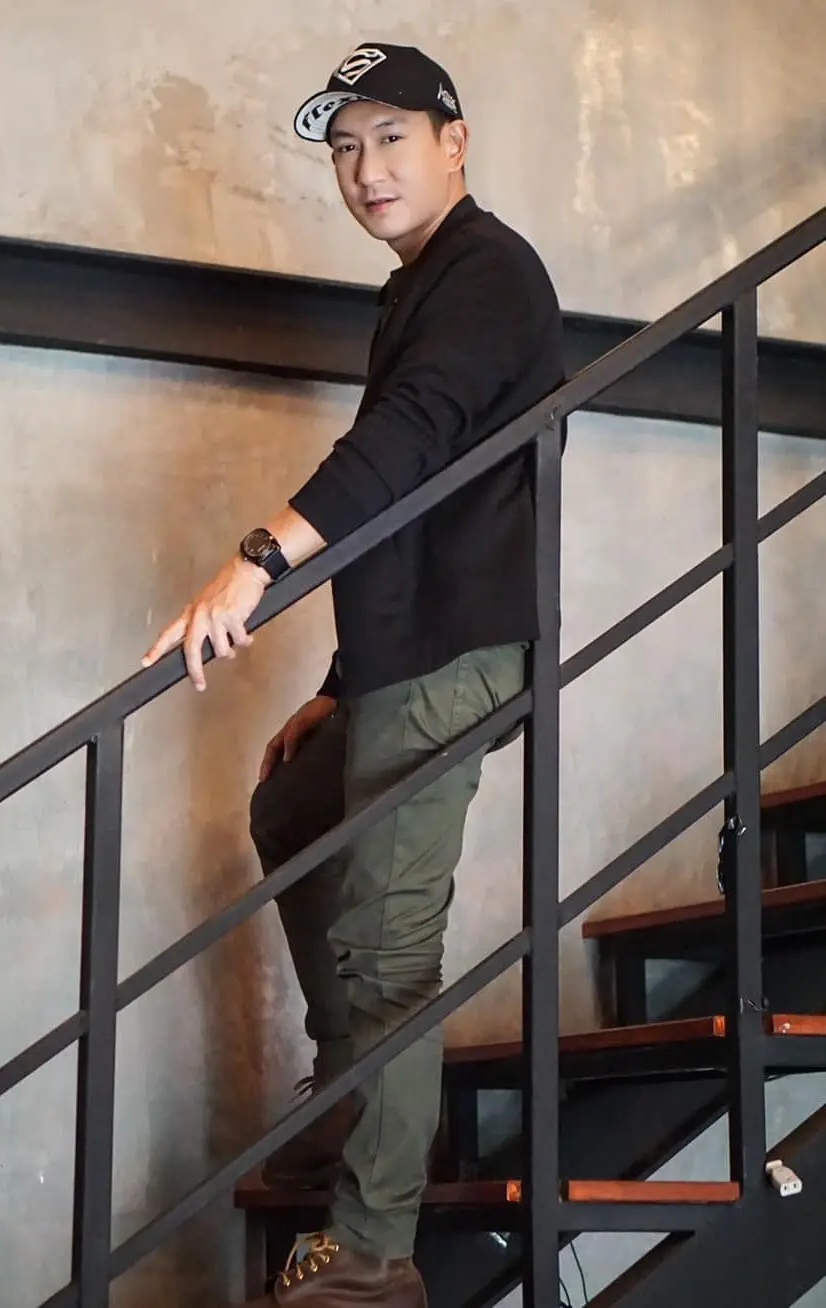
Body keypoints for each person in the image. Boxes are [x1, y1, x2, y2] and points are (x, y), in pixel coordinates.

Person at [142, 40, 564, 1308]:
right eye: (342, 148)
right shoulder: (418, 283)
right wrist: (339, 676)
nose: (364, 169)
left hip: (458, 649)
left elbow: (407, 439)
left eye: (390, 138)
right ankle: (350, 1097)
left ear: (453, 142)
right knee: (290, 807)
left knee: (387, 952)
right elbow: (412, 505)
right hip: (404, 646)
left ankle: (373, 1255)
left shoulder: (487, 272)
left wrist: (256, 561)